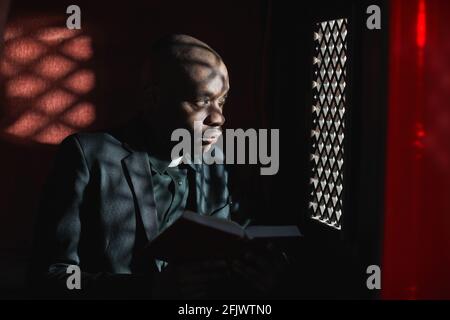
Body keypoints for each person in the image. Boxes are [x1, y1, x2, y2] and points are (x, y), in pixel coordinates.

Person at [29, 34, 289, 299]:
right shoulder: (86, 156)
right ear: (154, 98)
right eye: (202, 101)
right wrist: (150, 290)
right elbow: (50, 277)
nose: (219, 117)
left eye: (221, 101)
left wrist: (264, 276)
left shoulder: (220, 164)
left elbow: (245, 245)